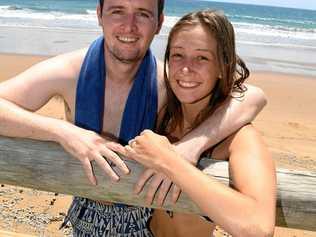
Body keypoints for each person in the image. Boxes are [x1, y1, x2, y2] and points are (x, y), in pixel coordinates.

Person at [0, 1, 267, 236]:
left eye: (142, 13)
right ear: (99, 14)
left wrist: (191, 146)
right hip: (84, 216)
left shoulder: (170, 83)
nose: (129, 26)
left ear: (159, 22)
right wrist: (64, 132)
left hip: (143, 222)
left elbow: (252, 96)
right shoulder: (69, 71)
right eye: (117, 11)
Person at [125, 10, 276, 237]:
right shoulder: (161, 113)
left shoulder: (240, 138)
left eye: (202, 57)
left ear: (222, 66)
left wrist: (169, 160)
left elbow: (258, 228)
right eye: (177, 55)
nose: (186, 69)